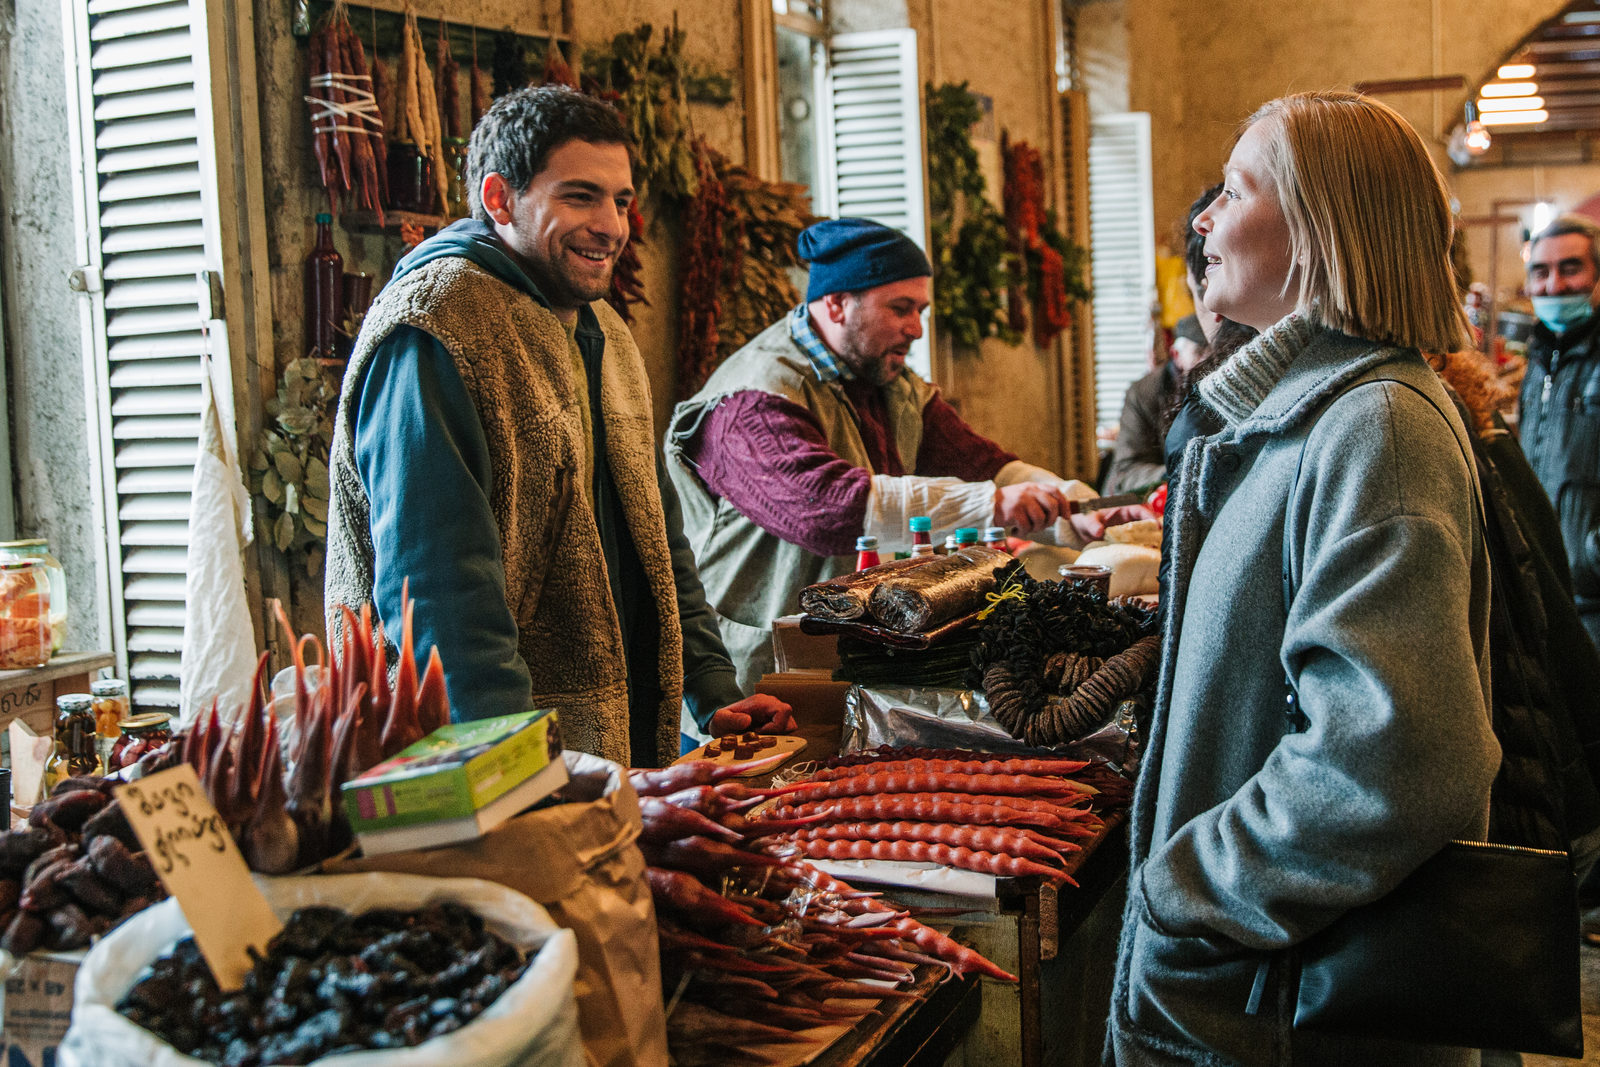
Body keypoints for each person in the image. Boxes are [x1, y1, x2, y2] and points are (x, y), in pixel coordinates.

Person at [1108, 91, 1498, 1066]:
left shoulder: (1376, 426)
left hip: (1278, 1008)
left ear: (1321, 229)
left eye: (1233, 189)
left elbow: (1395, 764)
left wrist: (1180, 888)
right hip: (1244, 993)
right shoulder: (1309, 413)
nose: (1201, 219)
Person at [324, 86, 792, 768]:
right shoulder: (435, 330)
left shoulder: (605, 329)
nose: (611, 225)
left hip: (612, 755)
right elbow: (440, 596)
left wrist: (712, 690)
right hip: (486, 768)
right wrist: (520, 764)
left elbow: (656, 540)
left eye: (622, 200)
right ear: (499, 198)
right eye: (580, 196)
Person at [665, 218, 1098, 690]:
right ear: (836, 304)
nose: (915, 328)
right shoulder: (752, 399)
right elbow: (827, 509)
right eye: (901, 308)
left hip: (846, 656)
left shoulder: (883, 377)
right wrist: (991, 504)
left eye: (921, 311)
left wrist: (1073, 506)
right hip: (745, 676)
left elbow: (980, 464)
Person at [1516, 213, 1600, 648]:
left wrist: (1590, 558)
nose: (1554, 286)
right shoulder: (1539, 359)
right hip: (1547, 594)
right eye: (1540, 272)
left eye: (1571, 268)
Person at [1102, 315, 1207, 494]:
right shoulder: (1143, 394)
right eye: (1199, 352)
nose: (1210, 360)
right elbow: (1126, 473)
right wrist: (1185, 472)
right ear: (1176, 355)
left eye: (1216, 351)